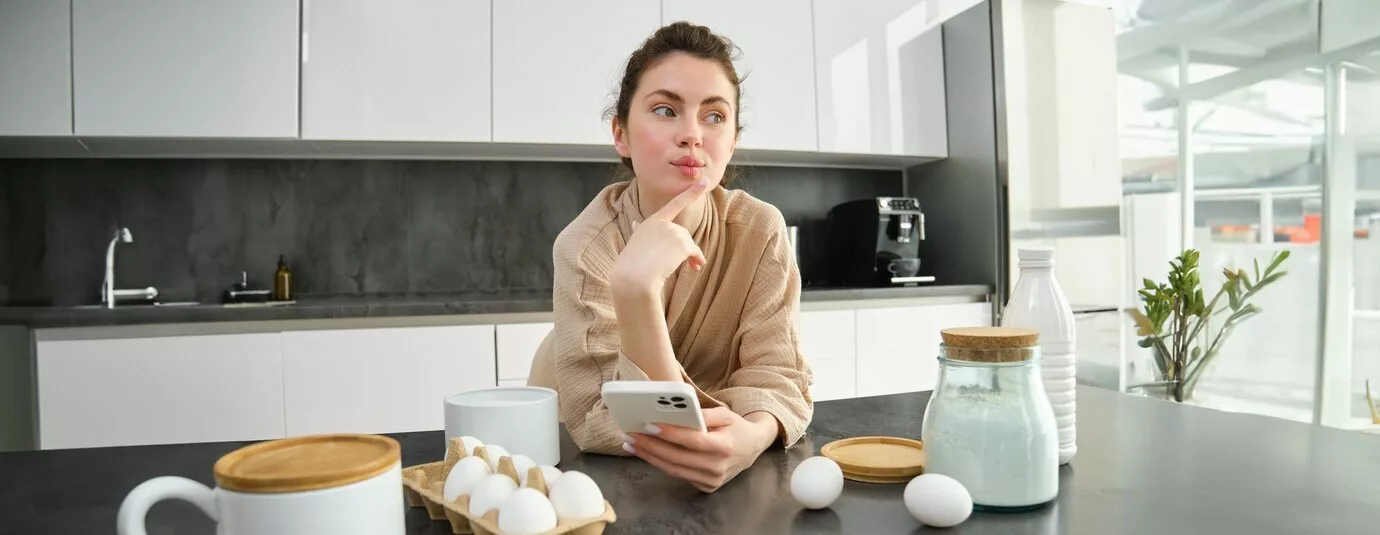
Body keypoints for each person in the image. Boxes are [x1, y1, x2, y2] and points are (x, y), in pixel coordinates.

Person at [527, 21, 814, 493]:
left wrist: (755, 433)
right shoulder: (586, 246)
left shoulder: (761, 231)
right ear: (621, 134)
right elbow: (602, 420)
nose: (692, 135)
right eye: (665, 110)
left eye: (715, 116)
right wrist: (636, 291)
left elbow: (779, 373)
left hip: (724, 449)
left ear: (733, 139)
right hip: (596, 469)